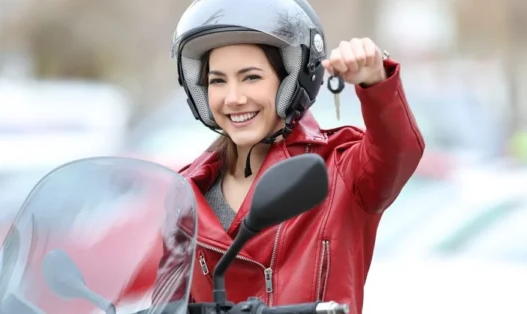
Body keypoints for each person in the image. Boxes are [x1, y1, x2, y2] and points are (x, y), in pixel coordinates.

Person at [163, 0, 425, 313]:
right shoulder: (185, 193)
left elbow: (398, 151)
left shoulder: (339, 169)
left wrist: (376, 81)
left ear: (291, 79)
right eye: (218, 80)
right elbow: (166, 302)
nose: (233, 98)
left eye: (251, 77)